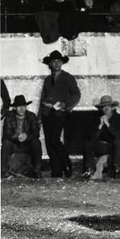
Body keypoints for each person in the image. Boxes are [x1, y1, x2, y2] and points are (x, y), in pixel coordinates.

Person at [39, 50, 80, 178]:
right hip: (47, 113)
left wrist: (65, 104)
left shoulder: (68, 78)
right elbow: (42, 99)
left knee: (54, 140)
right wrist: (39, 117)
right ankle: (56, 170)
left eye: (58, 61)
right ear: (50, 64)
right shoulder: (47, 80)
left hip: (59, 114)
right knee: (49, 142)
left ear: (62, 63)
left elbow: (76, 94)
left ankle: (67, 165)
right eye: (54, 62)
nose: (56, 64)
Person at [82, 95, 120, 179]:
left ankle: (117, 169)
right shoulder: (97, 119)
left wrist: (108, 125)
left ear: (113, 108)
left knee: (119, 142)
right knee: (89, 144)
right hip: (104, 145)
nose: (106, 109)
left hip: (116, 146)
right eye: (103, 107)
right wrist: (100, 126)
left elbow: (119, 135)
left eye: (108, 107)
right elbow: (92, 138)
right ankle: (89, 169)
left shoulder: (119, 118)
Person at [1, 95, 42, 178]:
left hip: (27, 145)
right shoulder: (9, 116)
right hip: (14, 144)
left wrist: (26, 136)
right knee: (6, 142)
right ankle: (3, 170)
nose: (22, 109)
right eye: (19, 106)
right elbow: (7, 133)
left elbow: (36, 133)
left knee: (36, 142)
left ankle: (37, 169)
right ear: (15, 108)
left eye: (23, 106)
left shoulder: (31, 116)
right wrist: (17, 137)